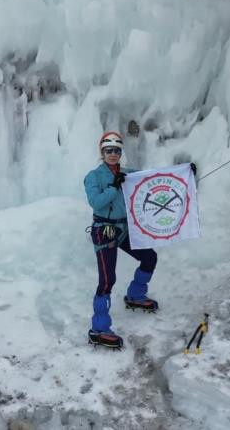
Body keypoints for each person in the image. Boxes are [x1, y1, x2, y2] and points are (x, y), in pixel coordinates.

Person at [83, 131, 159, 350]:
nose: (113, 154)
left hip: (124, 229)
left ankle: (135, 294)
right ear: (102, 152)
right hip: (104, 230)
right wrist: (114, 186)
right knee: (107, 279)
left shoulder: (127, 173)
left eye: (117, 150)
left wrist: (184, 173)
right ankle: (99, 329)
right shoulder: (93, 177)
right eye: (109, 150)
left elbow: (150, 178)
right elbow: (96, 203)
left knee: (149, 257)